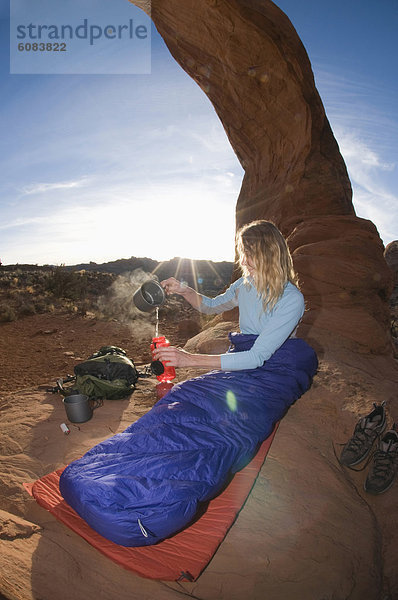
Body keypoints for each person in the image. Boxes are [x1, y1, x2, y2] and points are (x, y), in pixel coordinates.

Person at [153, 219, 305, 372]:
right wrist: (184, 290)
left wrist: (188, 359)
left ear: (269, 255)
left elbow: (257, 356)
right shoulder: (244, 285)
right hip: (244, 356)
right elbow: (211, 306)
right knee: (185, 392)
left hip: (277, 363)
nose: (243, 262)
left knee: (195, 395)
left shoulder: (291, 299)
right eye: (242, 254)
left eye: (249, 254)